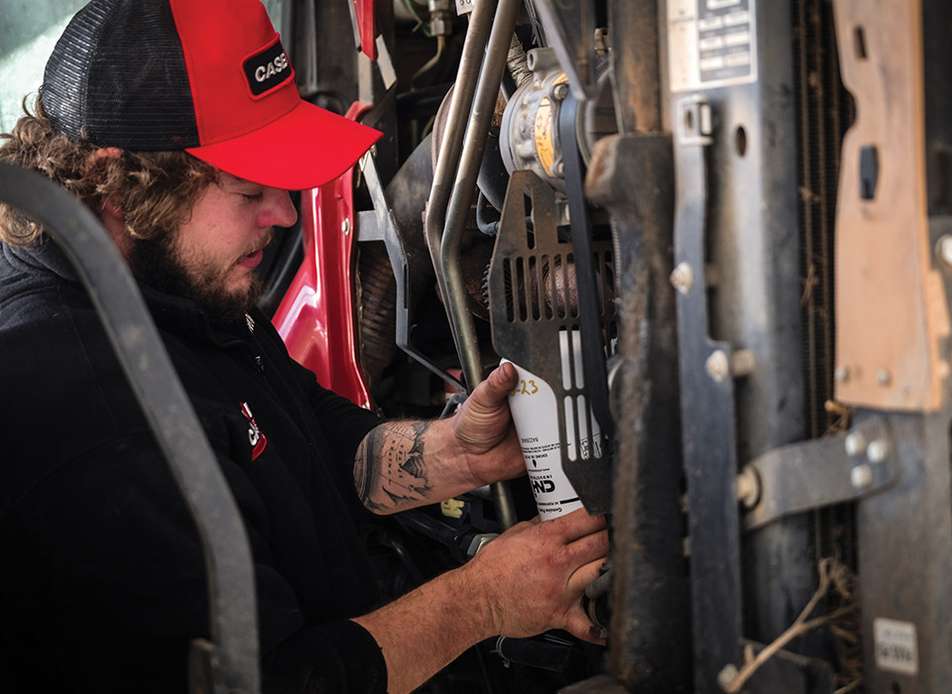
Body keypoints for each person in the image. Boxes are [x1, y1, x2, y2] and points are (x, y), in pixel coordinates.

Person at [0, 1, 608, 692]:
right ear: (120, 185)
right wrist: (484, 601)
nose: (284, 213)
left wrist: (450, 455)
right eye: (250, 188)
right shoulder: (83, 413)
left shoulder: (170, 290)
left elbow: (307, 442)